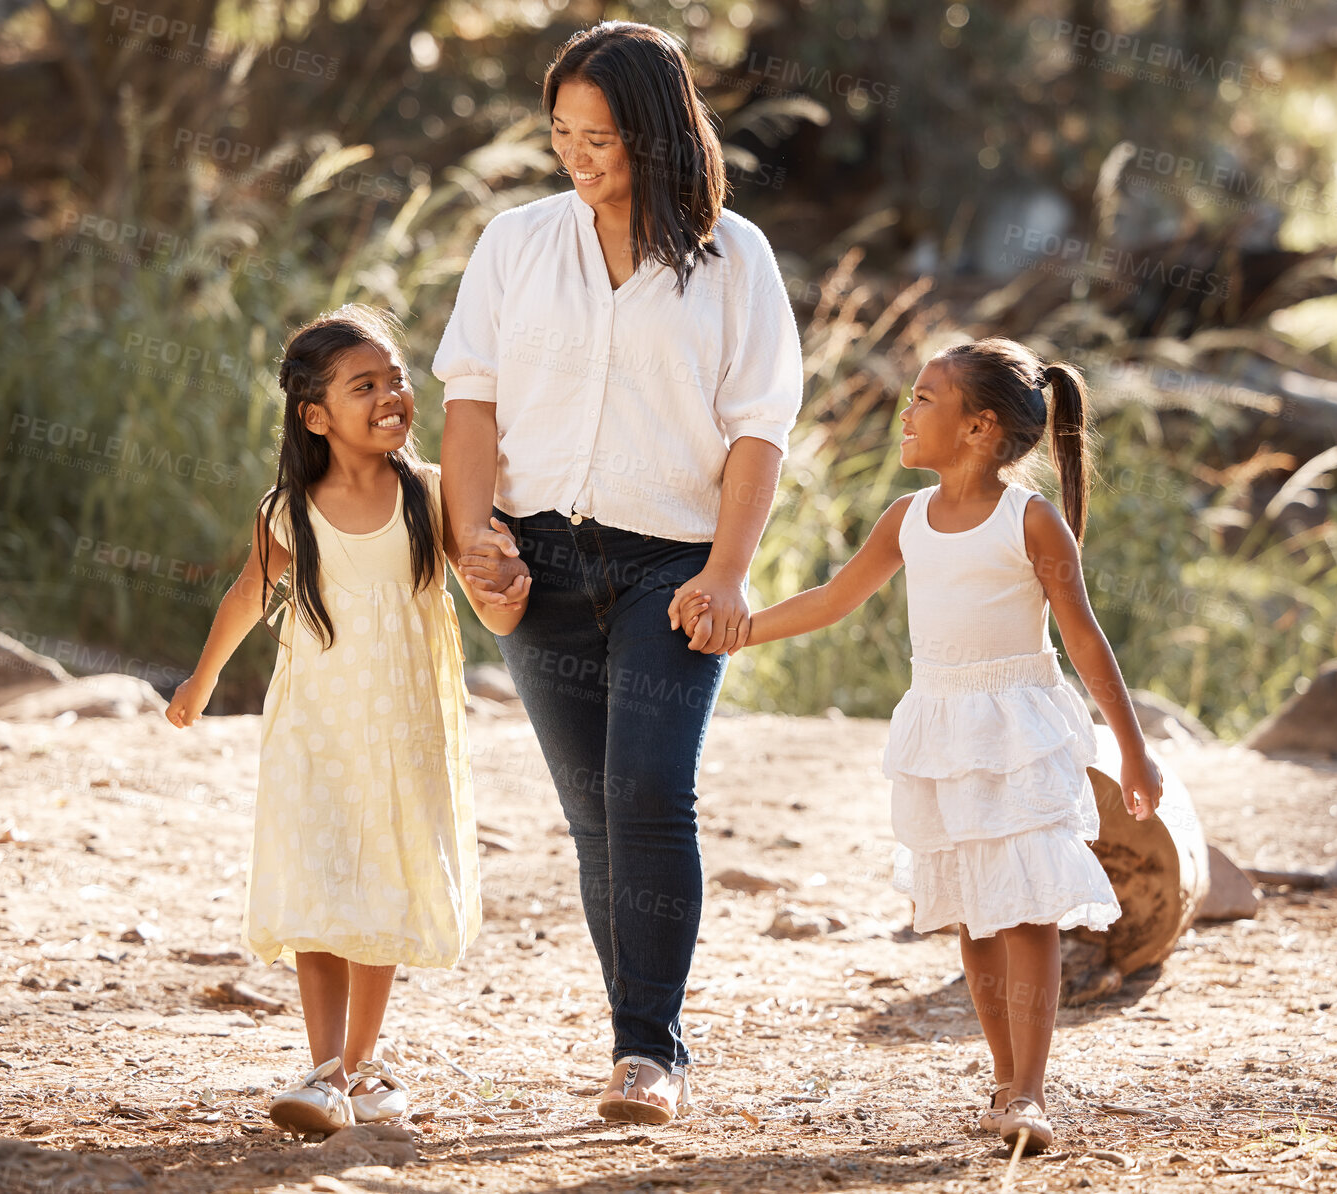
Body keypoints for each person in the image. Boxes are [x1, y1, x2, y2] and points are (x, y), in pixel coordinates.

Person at [433, 21, 802, 1124]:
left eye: (598, 136)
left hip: (673, 571)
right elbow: (470, 398)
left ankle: (651, 1053)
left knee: (649, 794)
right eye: (560, 133)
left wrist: (730, 573)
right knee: (594, 813)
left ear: (654, 133)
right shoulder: (515, 243)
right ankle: (631, 1036)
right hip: (536, 563)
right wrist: (471, 542)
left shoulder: (738, 259)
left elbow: (758, 430)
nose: (575, 155)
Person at [677, 337, 1162, 1154]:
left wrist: (1134, 750)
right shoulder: (906, 519)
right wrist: (739, 633)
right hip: (941, 727)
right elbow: (835, 599)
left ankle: (1032, 1092)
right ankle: (1005, 1082)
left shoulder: (1030, 522)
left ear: (977, 429)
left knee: (1028, 911)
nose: (907, 412)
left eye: (925, 400)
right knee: (973, 911)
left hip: (1018, 728)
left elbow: (1086, 642)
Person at [165, 304, 527, 1136]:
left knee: (382, 884)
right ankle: (323, 1069)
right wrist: (202, 679)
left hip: (403, 735)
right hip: (314, 730)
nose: (392, 394)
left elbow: (488, 592)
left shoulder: (431, 493)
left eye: (396, 378)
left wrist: (507, 583)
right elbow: (248, 594)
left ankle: (363, 1067)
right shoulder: (290, 508)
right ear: (316, 416)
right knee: (319, 883)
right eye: (365, 385)